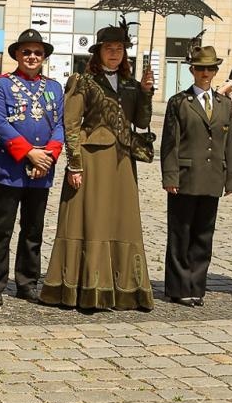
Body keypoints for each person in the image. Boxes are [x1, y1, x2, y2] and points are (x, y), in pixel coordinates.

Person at [40, 24, 155, 311]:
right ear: (98, 51)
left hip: (122, 161)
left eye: (120, 49)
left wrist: (146, 92)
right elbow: (71, 123)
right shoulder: (84, 81)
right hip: (92, 160)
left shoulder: (129, 83)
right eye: (109, 48)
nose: (115, 53)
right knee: (91, 220)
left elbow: (140, 122)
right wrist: (75, 165)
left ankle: (123, 287)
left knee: (122, 222)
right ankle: (86, 287)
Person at [0, 29, 65, 306]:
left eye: (37, 53)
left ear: (44, 57)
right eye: (26, 52)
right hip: (11, 168)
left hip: (43, 170)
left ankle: (28, 282)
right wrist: (30, 153)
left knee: (33, 229)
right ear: (17, 55)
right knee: (1, 228)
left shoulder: (54, 88)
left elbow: (61, 126)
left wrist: (47, 157)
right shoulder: (1, 85)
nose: (32, 57)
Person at [160, 46, 232, 307]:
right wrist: (170, 176)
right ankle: (178, 287)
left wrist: (231, 178)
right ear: (192, 70)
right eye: (200, 68)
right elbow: (170, 143)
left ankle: (196, 286)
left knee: (204, 235)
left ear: (216, 71)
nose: (205, 73)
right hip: (185, 176)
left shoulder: (224, 103)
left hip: (212, 177)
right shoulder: (179, 102)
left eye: (210, 68)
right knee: (180, 234)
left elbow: (229, 144)